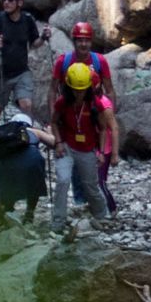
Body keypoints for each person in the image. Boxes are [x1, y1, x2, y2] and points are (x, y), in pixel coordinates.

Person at [50, 52, 116, 229]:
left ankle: (102, 216)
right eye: (75, 90)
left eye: (82, 90)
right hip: (67, 147)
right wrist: (58, 142)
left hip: (87, 149)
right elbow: (54, 122)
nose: (78, 93)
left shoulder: (96, 104)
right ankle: (58, 222)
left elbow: (102, 129)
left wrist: (101, 152)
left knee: (90, 186)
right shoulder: (62, 103)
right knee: (63, 181)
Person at [0, 0, 43, 122]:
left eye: (11, 0)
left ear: (20, 3)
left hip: (21, 72)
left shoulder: (27, 20)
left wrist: (44, 37)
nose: (6, 3)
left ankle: (28, 137)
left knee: (26, 105)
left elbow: (35, 43)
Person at [0, 89, 48, 233]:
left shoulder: (5, 134)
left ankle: (4, 216)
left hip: (6, 168)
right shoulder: (33, 131)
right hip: (33, 163)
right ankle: (29, 213)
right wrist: (50, 132)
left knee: (6, 192)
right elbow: (53, 141)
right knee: (33, 187)